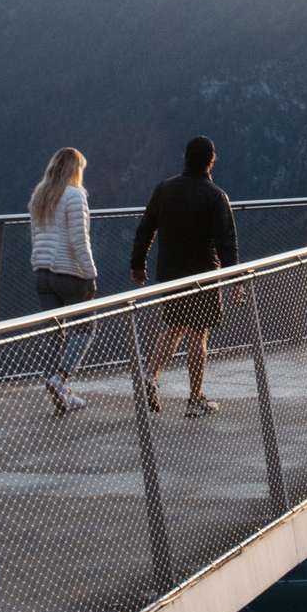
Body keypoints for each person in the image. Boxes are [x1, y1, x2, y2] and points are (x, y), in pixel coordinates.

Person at [131, 136, 239, 417]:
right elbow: (226, 242)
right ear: (211, 160)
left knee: (174, 327)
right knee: (198, 334)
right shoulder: (215, 196)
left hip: (170, 271)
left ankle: (151, 379)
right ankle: (195, 398)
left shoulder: (164, 190)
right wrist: (236, 277)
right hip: (203, 272)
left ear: (186, 158)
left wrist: (138, 264)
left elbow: (145, 228)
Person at [28, 146, 98, 413]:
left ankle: (57, 387)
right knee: (84, 330)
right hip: (70, 273)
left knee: (54, 333)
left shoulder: (41, 195)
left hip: (43, 273)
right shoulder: (74, 195)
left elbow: (36, 235)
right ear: (75, 169)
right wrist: (90, 272)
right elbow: (79, 239)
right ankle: (62, 378)